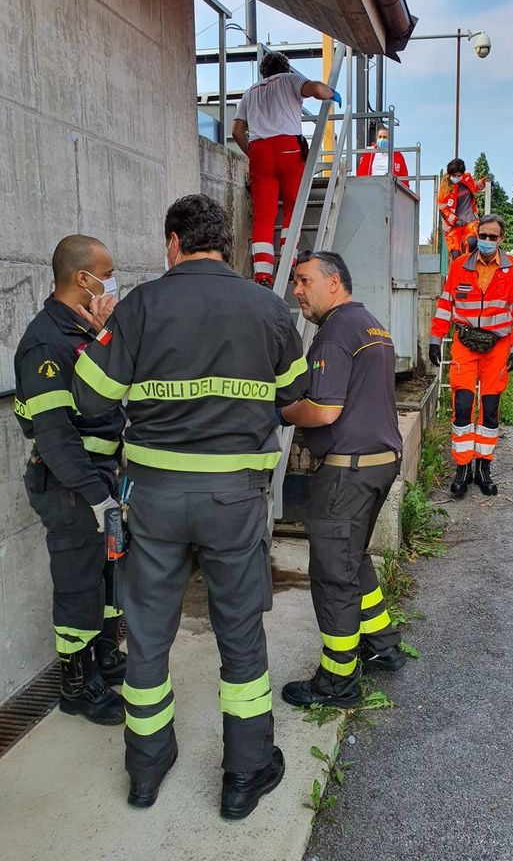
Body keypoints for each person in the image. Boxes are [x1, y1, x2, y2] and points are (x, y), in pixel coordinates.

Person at [72, 194, 308, 818]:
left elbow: (91, 398)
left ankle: (145, 773)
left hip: (153, 497)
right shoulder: (268, 307)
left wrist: (106, 337)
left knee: (147, 635)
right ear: (225, 244)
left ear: (173, 243)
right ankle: (245, 776)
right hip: (234, 497)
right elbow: (293, 393)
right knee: (240, 635)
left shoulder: (141, 306)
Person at [277, 250, 405, 709]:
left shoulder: (333, 334)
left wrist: (281, 411)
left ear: (334, 282)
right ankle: (382, 643)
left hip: (346, 473)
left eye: (303, 280)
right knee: (352, 556)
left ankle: (337, 681)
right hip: (380, 464)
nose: (297, 291)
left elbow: (324, 409)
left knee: (332, 573)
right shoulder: (372, 324)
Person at [13, 235, 127, 726]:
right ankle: (76, 684)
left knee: (103, 573)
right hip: (69, 483)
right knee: (77, 581)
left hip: (96, 477)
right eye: (107, 271)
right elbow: (56, 438)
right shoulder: (46, 341)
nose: (112, 280)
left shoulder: (84, 331)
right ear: (84, 279)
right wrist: (98, 498)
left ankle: (103, 658)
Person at [428, 214, 513, 497]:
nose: (486, 241)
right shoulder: (460, 266)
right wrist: (436, 340)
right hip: (465, 344)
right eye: (482, 236)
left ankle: (483, 468)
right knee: (462, 406)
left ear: (501, 239)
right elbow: (446, 304)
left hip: (497, 348)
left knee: (490, 409)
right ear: (476, 236)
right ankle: (462, 468)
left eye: (492, 237)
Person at [232, 51, 342, 288]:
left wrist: (252, 153)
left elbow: (237, 131)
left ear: (263, 72)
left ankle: (263, 274)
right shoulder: (289, 79)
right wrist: (332, 93)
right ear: (286, 68)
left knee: (264, 215)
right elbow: (318, 90)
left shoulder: (250, 93)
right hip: (289, 150)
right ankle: (289, 262)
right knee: (293, 206)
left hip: (260, 151)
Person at [438, 159, 486, 259]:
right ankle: (456, 270)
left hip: (470, 221)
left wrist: (483, 183)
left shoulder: (467, 178)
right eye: (454, 175)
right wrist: (455, 220)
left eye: (458, 175)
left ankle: (470, 265)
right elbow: (443, 209)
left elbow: (474, 187)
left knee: (472, 242)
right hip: (453, 226)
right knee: (456, 254)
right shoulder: (445, 187)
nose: (456, 178)